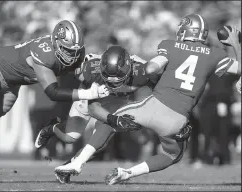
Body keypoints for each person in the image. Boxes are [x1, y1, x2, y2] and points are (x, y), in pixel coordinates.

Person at [54, 14, 241, 185]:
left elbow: (151, 69)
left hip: (153, 106)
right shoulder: (215, 54)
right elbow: (239, 68)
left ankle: (76, 163)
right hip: (178, 120)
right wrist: (235, 43)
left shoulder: (170, 45)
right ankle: (128, 173)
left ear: (184, 29)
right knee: (172, 155)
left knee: (110, 121)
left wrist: (145, 69)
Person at [35, 45, 159, 183]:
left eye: (118, 79)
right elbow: (93, 108)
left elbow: (161, 90)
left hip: (117, 100)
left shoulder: (143, 71)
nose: (113, 83)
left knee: (101, 139)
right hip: (91, 95)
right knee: (70, 137)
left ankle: (68, 167)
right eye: (108, 78)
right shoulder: (89, 69)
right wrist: (113, 119)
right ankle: (52, 128)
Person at [0, 20, 109, 129]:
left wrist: (100, 84)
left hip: (12, 83)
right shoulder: (45, 53)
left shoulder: (77, 52)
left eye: (74, 51)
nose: (71, 56)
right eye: (67, 50)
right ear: (55, 41)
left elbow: (82, 75)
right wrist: (89, 93)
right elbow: (53, 92)